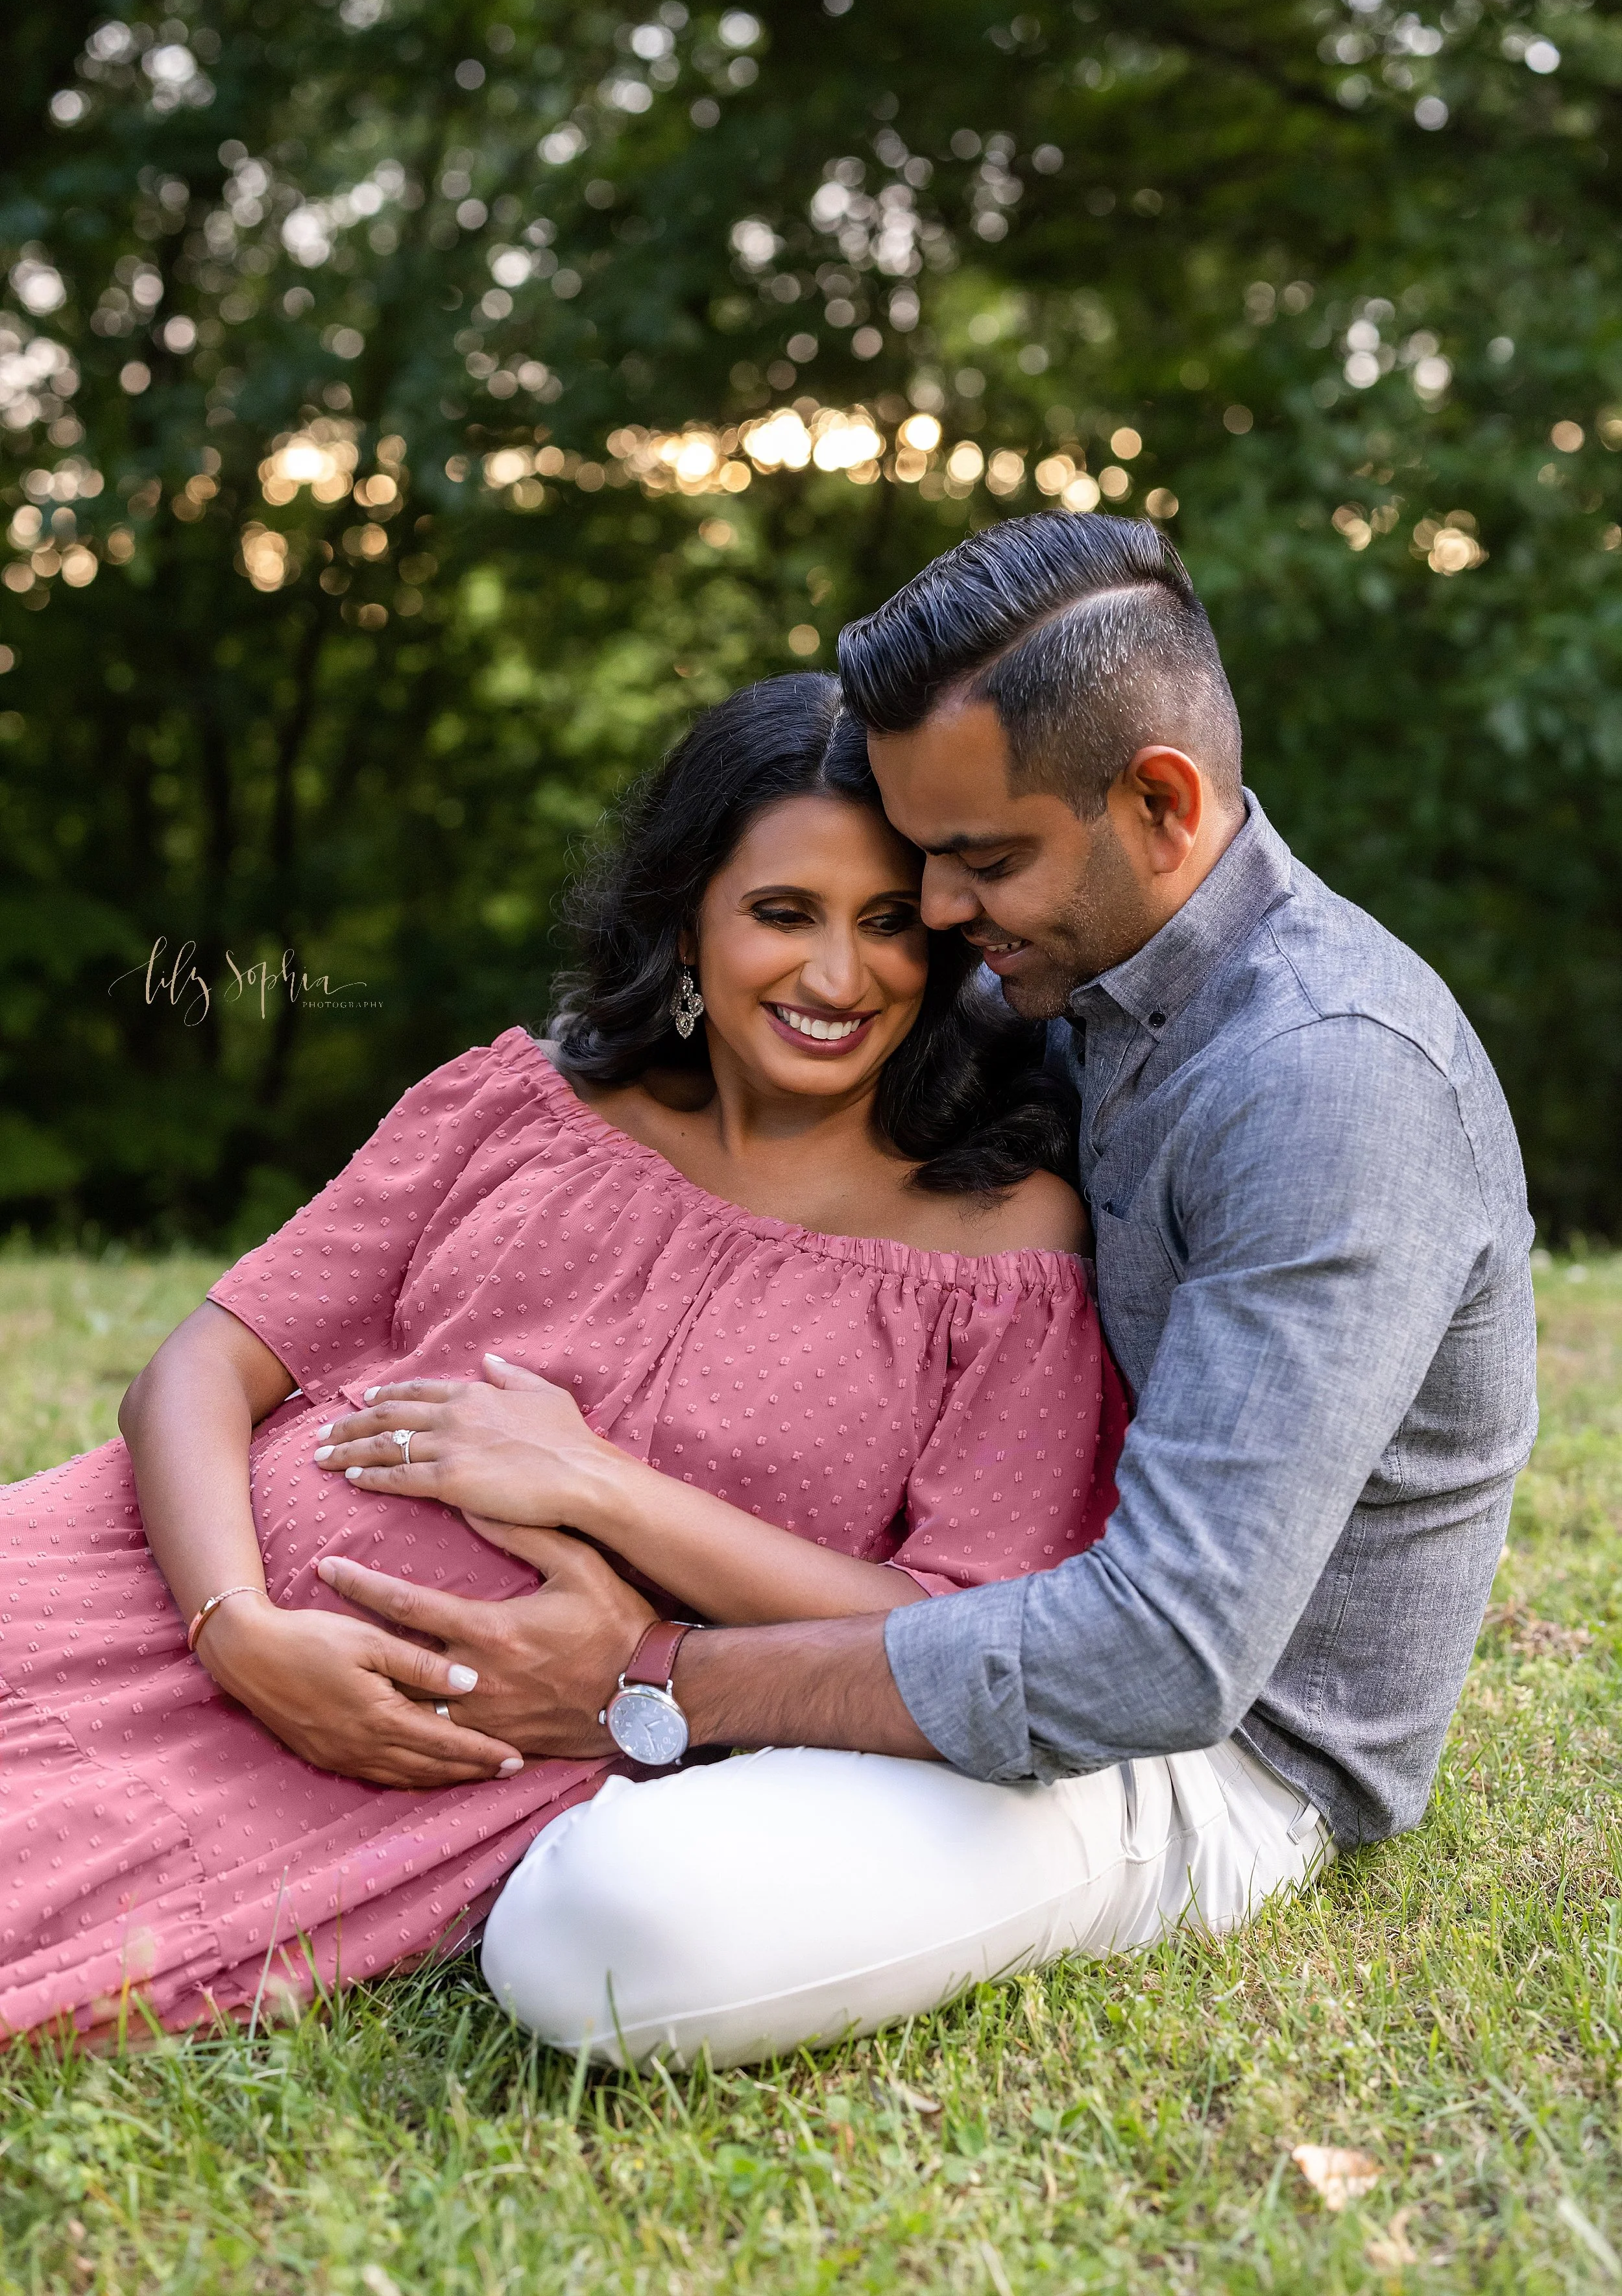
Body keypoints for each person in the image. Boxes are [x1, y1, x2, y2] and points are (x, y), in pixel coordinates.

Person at [319, 511, 1538, 2069]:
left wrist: (651, 1677)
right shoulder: (1067, 964)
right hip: (971, 1602)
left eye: (976, 862)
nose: (939, 914)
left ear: (1158, 802)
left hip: (1201, 1752)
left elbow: (1158, 1656)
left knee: (598, 1936)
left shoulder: (1328, 1088)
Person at [0, 674, 1124, 2042]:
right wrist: (237, 1628)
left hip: (420, 1747)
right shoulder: (523, 1104)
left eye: (888, 924)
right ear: (687, 918)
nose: (839, 976)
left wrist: (599, 1485)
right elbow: (198, 1367)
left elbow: (949, 1626)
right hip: (152, 1581)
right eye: (783, 912)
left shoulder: (1002, 1243)